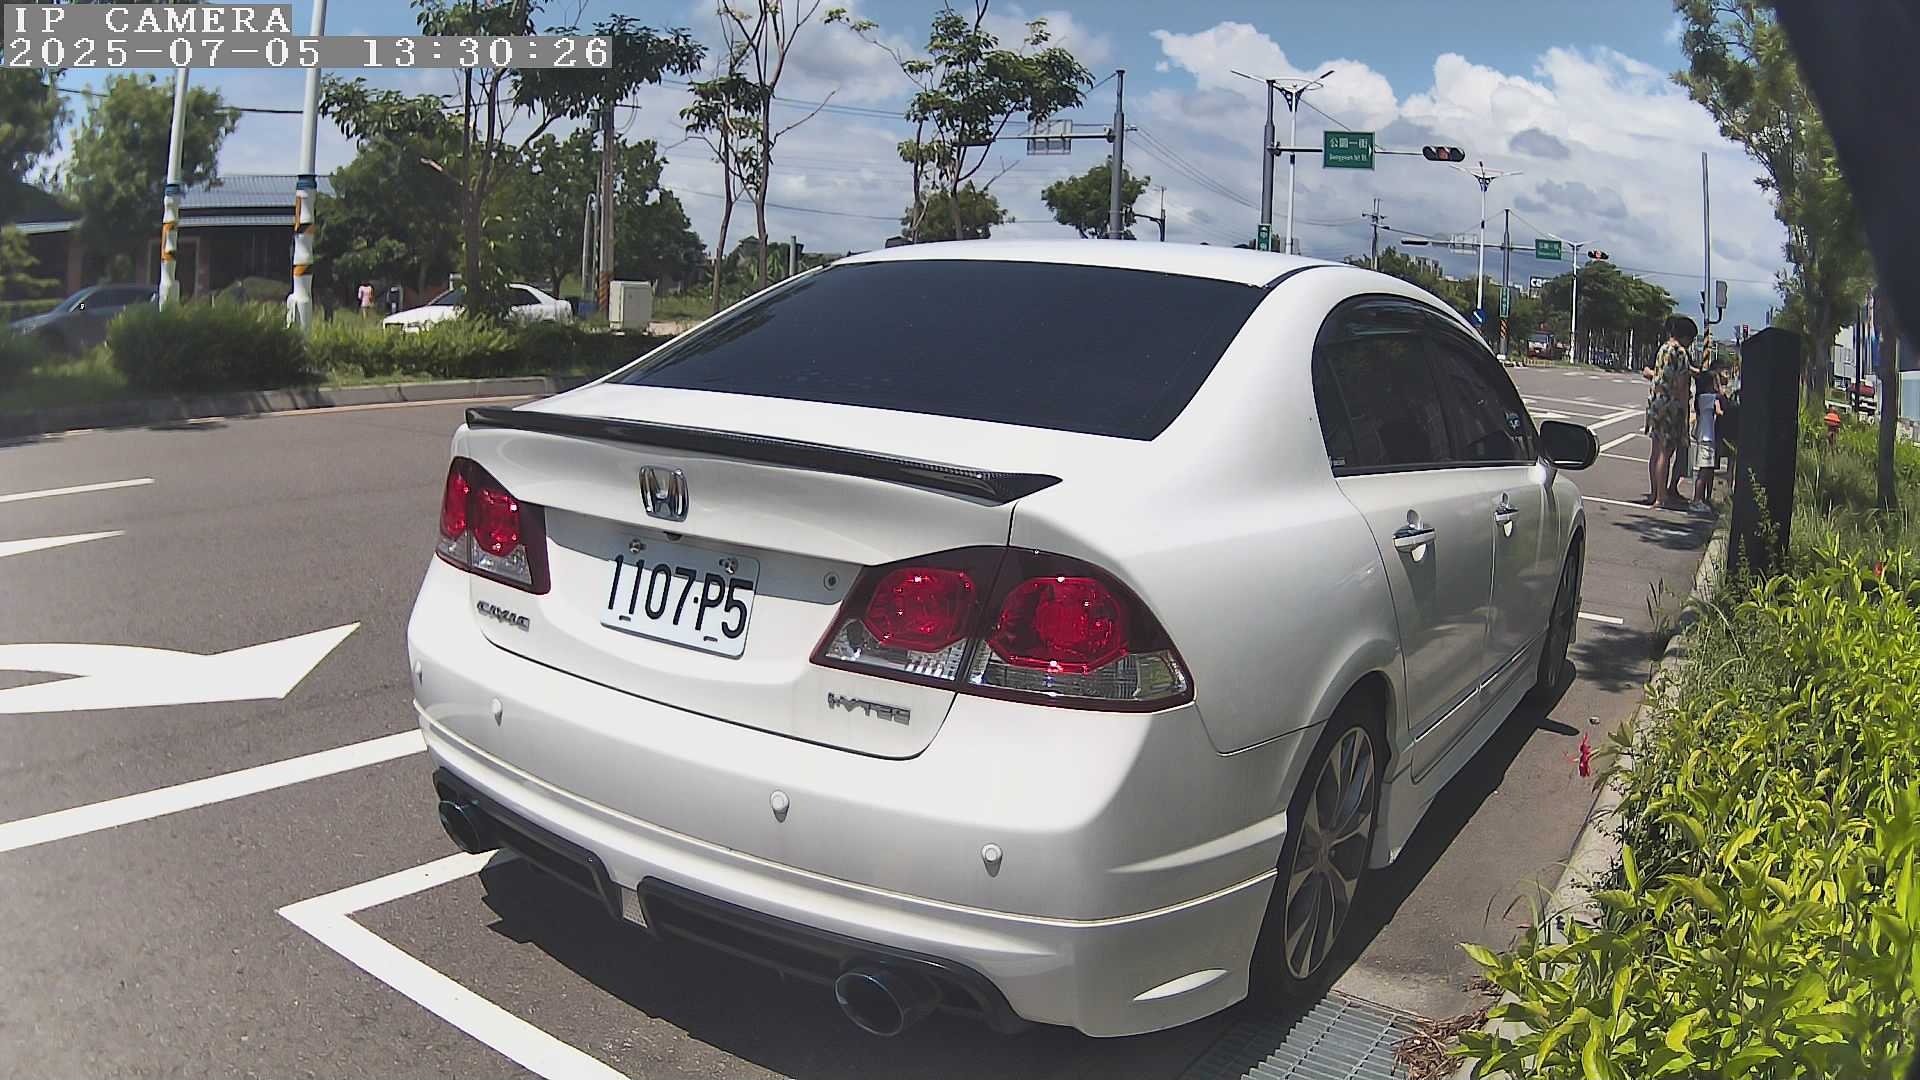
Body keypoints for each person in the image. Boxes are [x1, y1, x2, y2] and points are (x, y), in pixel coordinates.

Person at [1642, 315, 1696, 509]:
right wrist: (1685, 409)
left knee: (1655, 451)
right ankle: (1661, 497)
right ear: (1686, 336)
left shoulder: (1663, 349)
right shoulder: (1680, 353)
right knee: (1666, 453)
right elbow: (1682, 385)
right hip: (1671, 405)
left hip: (1655, 402)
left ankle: (1654, 493)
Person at [1691, 348, 1727, 507]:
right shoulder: (1712, 398)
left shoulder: (1701, 397)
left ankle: (1700, 499)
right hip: (1708, 436)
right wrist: (1720, 388)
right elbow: (1720, 410)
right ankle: (1697, 500)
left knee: (1705, 469)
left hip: (1704, 434)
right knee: (1704, 470)